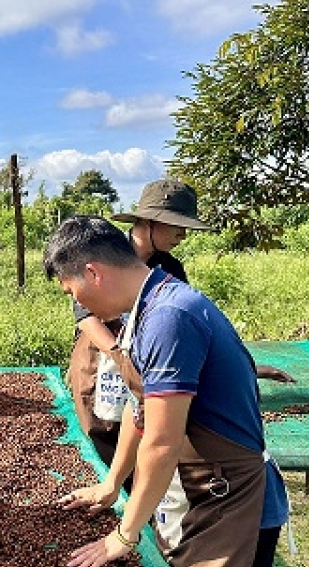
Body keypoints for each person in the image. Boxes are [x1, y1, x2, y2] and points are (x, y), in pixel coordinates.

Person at [43, 215, 289, 567]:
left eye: (72, 290)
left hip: (232, 498)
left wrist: (123, 535)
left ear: (93, 273)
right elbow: (142, 408)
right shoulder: (148, 305)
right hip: (198, 486)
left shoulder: (169, 316)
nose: (76, 303)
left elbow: (161, 440)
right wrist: (113, 481)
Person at [67, 179, 207, 466]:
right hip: (100, 355)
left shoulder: (170, 268)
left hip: (145, 360)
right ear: (148, 222)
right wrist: (118, 354)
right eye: (175, 224)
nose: (183, 234)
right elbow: (85, 316)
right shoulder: (105, 252)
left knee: (143, 432)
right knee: (99, 433)